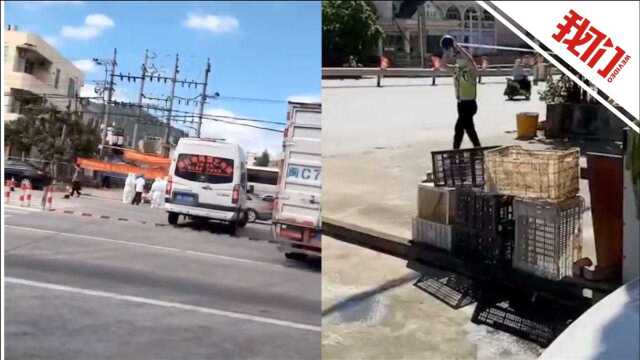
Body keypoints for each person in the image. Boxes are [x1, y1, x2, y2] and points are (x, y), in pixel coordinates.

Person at [441, 35, 481, 149]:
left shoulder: (472, 71)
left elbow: (470, 60)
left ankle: (456, 150)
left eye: (459, 55)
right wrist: (446, 50)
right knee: (468, 128)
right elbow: (443, 65)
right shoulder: (456, 70)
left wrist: (458, 47)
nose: (457, 56)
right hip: (460, 104)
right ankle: (477, 148)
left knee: (459, 128)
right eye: (456, 55)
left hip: (470, 104)